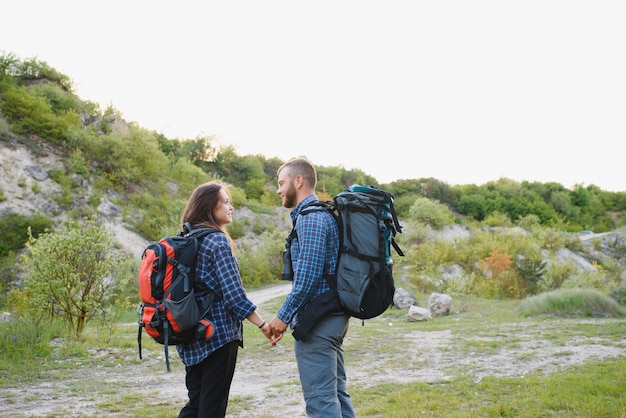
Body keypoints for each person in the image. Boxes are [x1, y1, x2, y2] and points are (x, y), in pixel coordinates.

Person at [176, 180, 275, 418]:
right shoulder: (217, 241)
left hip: (190, 333)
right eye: (226, 202)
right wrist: (263, 325)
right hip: (218, 336)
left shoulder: (187, 238)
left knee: (195, 405)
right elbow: (234, 296)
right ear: (211, 206)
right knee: (212, 409)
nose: (231, 207)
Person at [268, 158, 356, 418]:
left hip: (320, 322)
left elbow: (308, 278)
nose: (279, 189)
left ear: (299, 181)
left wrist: (282, 317)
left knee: (321, 404)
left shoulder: (312, 217)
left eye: (282, 182)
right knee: (337, 396)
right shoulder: (320, 214)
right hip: (330, 318)